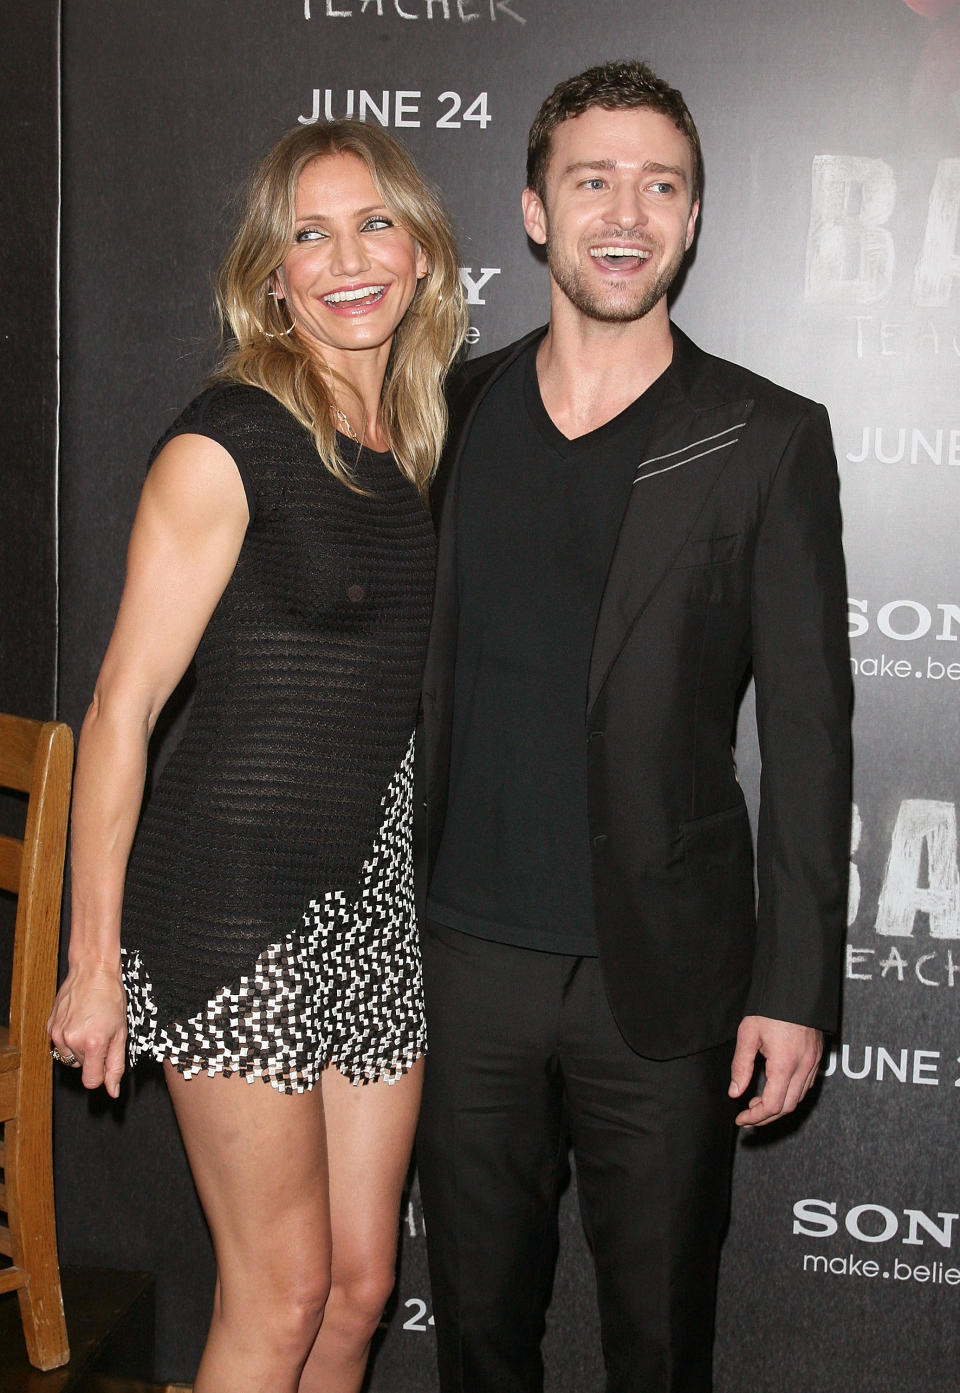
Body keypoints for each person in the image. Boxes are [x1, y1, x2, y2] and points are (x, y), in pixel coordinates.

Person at [415, 59, 851, 1393]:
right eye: (591, 180)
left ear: (696, 217)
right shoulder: (451, 409)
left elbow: (815, 731)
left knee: (660, 1342)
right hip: (462, 960)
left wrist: (796, 985)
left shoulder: (764, 436)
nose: (625, 211)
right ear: (536, 211)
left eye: (659, 185)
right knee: (479, 1338)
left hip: (662, 981)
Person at [47, 119, 466, 1393]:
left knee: (356, 1292)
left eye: (373, 224)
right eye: (309, 233)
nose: (347, 260)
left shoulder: (417, 442)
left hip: (370, 910)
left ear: (422, 254)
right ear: (271, 275)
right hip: (232, 908)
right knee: (279, 1294)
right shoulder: (226, 441)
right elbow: (121, 708)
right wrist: (92, 960)